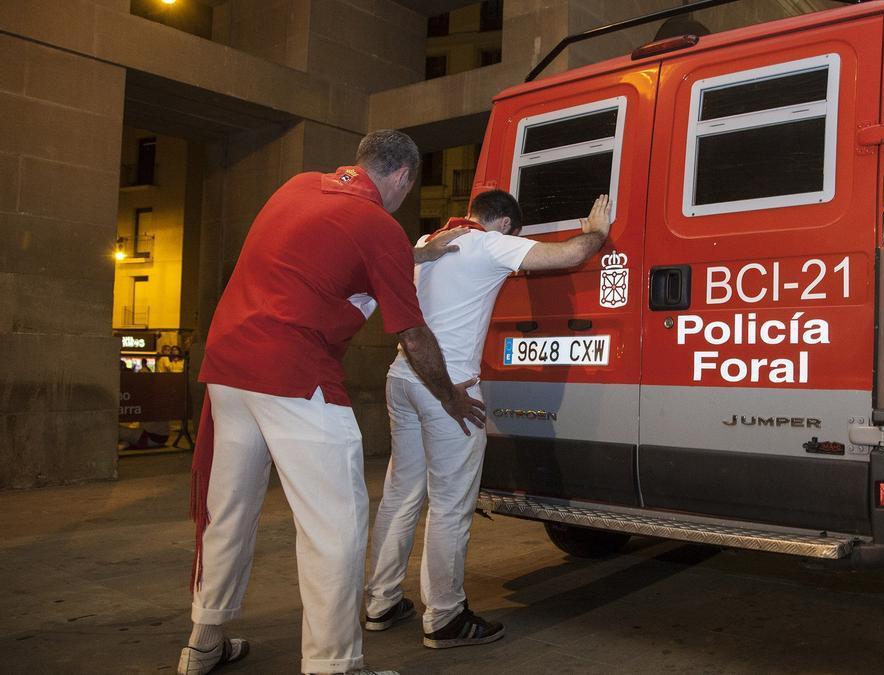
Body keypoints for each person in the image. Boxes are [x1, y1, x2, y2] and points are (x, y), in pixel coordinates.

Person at [177, 130, 484, 675]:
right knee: (335, 525)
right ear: (403, 178)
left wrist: (416, 251)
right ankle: (334, 665)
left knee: (229, 510)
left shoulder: (296, 187)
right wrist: (451, 397)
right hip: (296, 376)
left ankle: (204, 640)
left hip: (228, 369)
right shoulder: (379, 227)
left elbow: (329, 249)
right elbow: (414, 338)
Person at [363, 190, 612, 648]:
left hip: (402, 375)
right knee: (450, 504)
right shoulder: (490, 243)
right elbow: (569, 255)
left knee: (401, 494)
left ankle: (381, 601)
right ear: (504, 225)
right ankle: (444, 616)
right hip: (448, 388)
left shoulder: (428, 240)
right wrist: (595, 232)